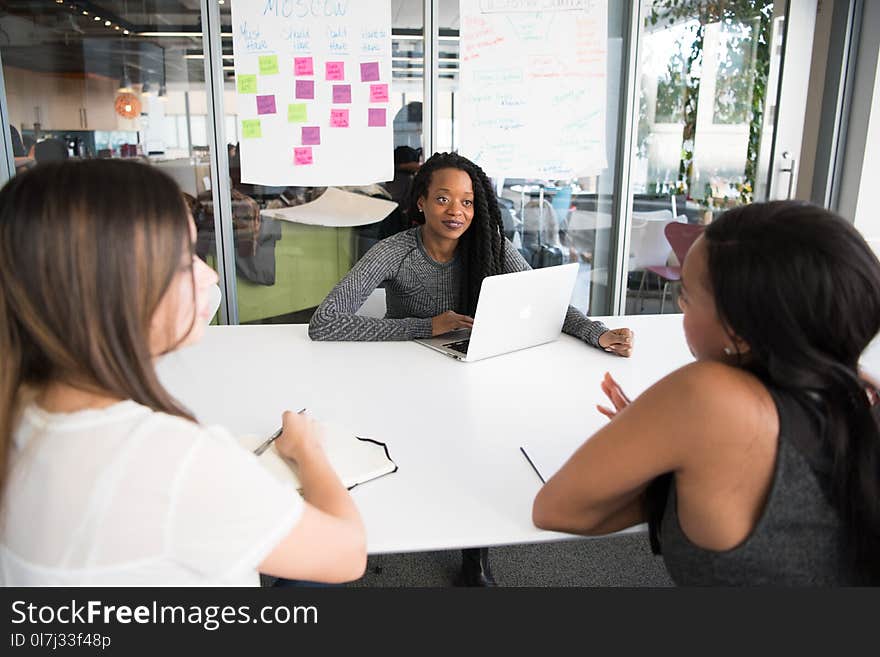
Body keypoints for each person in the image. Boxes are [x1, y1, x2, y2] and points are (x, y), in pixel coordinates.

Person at [0, 160, 366, 586]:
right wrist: (307, 449)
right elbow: (347, 554)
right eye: (182, 262)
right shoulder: (166, 461)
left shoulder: (22, 405)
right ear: (114, 291)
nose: (209, 274)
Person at [308, 151, 634, 585]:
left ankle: (474, 556)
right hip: (402, 373)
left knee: (484, 444)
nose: (456, 211)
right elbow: (325, 321)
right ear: (421, 202)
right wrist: (426, 326)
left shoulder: (490, 246)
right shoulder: (395, 251)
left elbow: (545, 302)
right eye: (443, 199)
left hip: (469, 368)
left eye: (466, 202)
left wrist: (596, 333)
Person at [532, 201, 880, 585]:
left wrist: (661, 444)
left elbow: (556, 509)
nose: (681, 307)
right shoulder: (857, 391)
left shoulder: (708, 397)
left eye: (688, 297)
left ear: (740, 331)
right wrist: (677, 444)